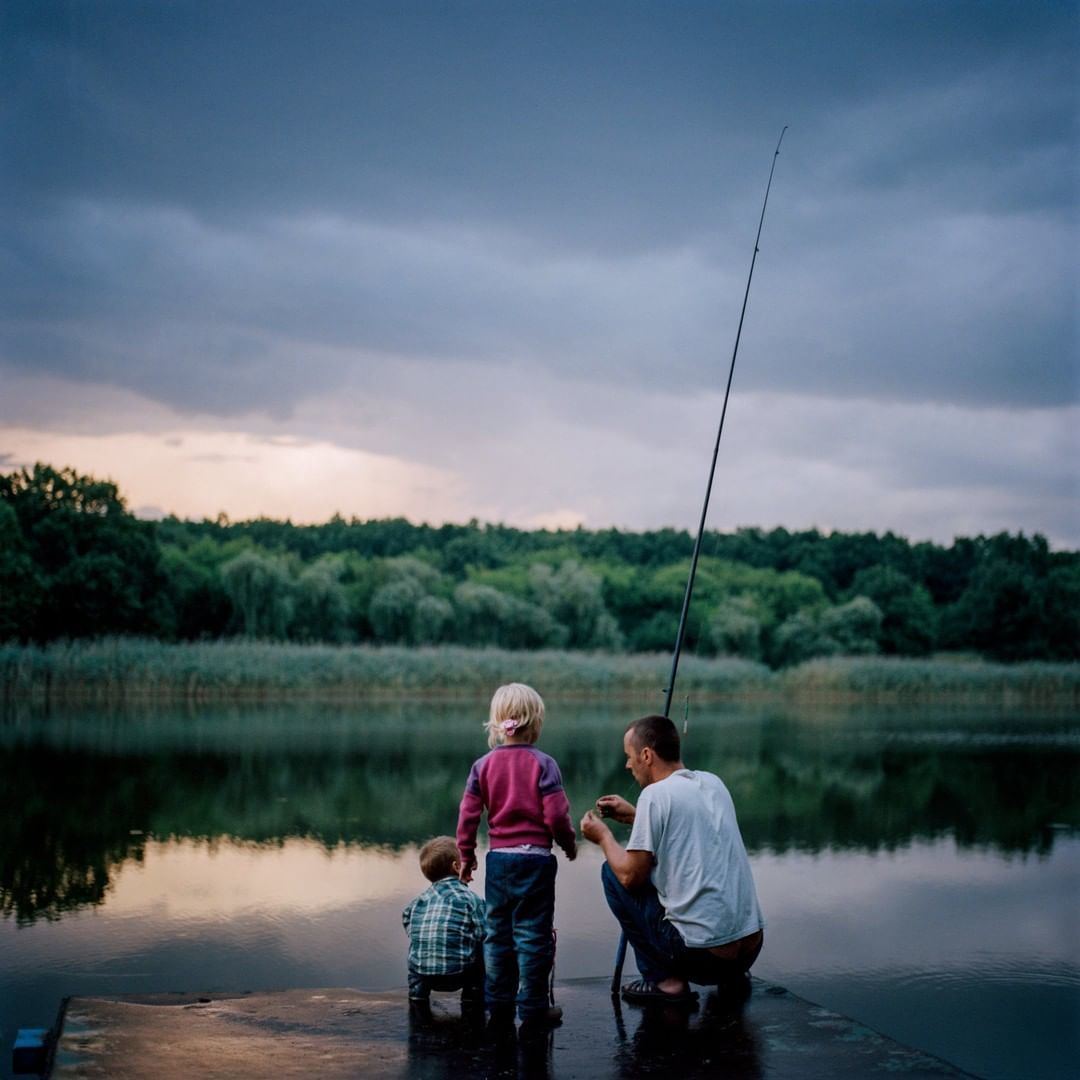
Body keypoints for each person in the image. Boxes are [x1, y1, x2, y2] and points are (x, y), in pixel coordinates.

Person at [581, 713, 765, 1006]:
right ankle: (733, 977)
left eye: (629, 757)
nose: (628, 765)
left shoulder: (654, 795)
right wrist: (634, 815)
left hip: (704, 959)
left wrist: (603, 836)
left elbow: (631, 877)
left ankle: (666, 982)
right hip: (749, 952)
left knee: (611, 873)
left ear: (646, 754)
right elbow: (687, 825)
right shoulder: (713, 783)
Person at [456, 682, 577, 1028]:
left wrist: (465, 855)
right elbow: (556, 815)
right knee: (533, 934)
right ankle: (534, 1006)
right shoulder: (544, 763)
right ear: (535, 722)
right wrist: (567, 843)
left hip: (499, 862)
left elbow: (468, 815)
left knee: (498, 933)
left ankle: (499, 1003)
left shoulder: (482, 766)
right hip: (536, 861)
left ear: (498, 724)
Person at [402, 835, 486, 1009]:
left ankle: (417, 995)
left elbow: (406, 918)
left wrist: (421, 935)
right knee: (483, 946)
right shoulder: (471, 899)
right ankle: (472, 995)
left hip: (422, 972)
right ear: (457, 867)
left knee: (416, 952)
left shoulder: (419, 900)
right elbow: (483, 932)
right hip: (458, 973)